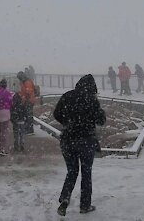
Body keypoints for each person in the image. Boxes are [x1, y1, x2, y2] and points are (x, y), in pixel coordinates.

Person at [53, 74, 106, 216]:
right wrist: (95, 114)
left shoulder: (68, 96)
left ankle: (65, 200)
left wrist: (69, 123)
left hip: (68, 140)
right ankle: (85, 205)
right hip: (86, 140)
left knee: (72, 171)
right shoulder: (92, 100)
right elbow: (101, 120)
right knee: (86, 172)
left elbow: (56, 114)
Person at [17, 71, 36, 135]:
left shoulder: (27, 82)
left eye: (19, 78)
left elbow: (28, 92)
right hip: (27, 101)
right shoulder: (25, 81)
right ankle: (27, 128)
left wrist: (24, 100)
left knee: (29, 115)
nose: (19, 80)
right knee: (27, 115)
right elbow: (24, 91)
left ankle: (30, 130)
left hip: (29, 101)